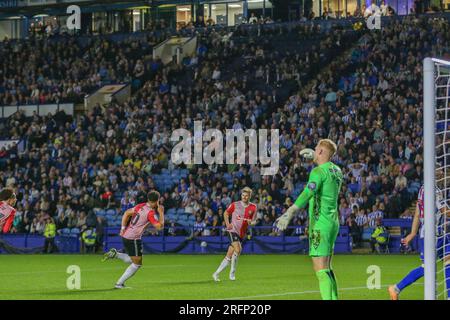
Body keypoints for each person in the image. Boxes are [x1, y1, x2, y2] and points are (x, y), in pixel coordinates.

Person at [276, 139, 343, 300]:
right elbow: (326, 168)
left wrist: (290, 212)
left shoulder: (318, 172)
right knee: (327, 267)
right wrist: (316, 155)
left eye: (316, 148)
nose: (314, 150)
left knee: (320, 269)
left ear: (320, 151)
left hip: (320, 224)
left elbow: (308, 193)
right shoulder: (337, 170)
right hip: (333, 221)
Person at [388, 185, 450, 300]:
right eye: (440, 169)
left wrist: (412, 233)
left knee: (448, 259)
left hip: (440, 234)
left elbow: (417, 213)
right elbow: (446, 211)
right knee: (427, 268)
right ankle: (396, 288)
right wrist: (413, 233)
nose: (442, 172)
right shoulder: (434, 190)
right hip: (430, 235)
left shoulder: (423, 189)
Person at [102, 191, 164, 289]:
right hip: (133, 238)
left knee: (134, 260)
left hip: (126, 235)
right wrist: (161, 213)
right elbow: (159, 227)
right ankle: (119, 284)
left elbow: (126, 213)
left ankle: (116, 254)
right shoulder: (150, 213)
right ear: (157, 201)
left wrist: (122, 229)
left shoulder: (140, 206)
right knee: (137, 263)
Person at [212, 187, 257, 282]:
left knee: (229, 256)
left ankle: (216, 274)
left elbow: (254, 221)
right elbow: (226, 213)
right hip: (232, 230)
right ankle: (232, 273)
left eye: (246, 195)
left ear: (249, 196)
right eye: (243, 195)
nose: (244, 197)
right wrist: (228, 224)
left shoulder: (253, 207)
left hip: (241, 234)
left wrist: (251, 222)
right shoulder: (235, 205)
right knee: (238, 249)